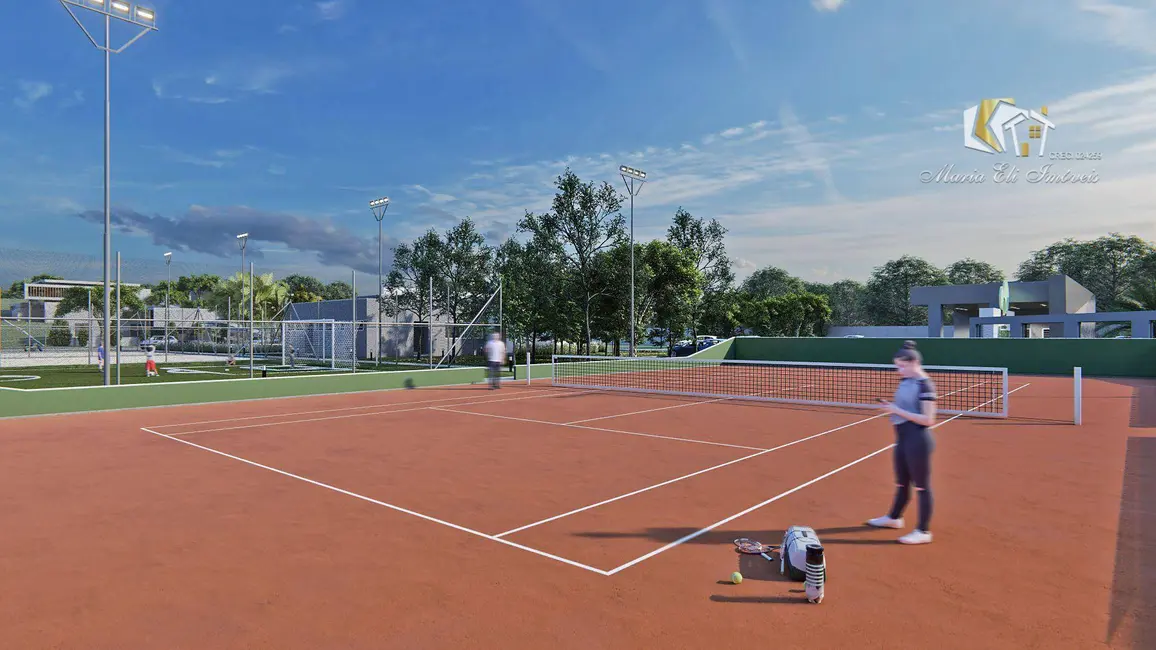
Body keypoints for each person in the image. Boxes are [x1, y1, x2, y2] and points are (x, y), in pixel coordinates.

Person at [867, 340, 937, 545]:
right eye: (897, 366)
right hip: (902, 439)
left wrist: (896, 410)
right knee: (901, 482)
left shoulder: (925, 384)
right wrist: (891, 407)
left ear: (914, 362)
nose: (899, 370)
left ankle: (923, 531)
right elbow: (903, 407)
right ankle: (894, 518)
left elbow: (928, 419)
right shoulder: (905, 381)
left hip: (918, 440)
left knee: (922, 487)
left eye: (902, 366)